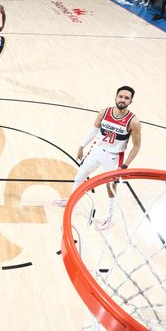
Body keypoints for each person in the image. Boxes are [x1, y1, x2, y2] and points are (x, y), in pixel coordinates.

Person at [54, 86, 142, 230]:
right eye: (121, 96)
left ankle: (109, 217)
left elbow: (137, 146)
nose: (123, 100)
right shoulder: (104, 112)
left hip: (114, 157)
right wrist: (82, 146)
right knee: (79, 176)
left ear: (131, 101)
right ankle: (71, 200)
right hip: (96, 151)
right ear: (115, 97)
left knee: (110, 187)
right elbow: (94, 130)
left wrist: (125, 166)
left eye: (126, 98)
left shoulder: (133, 122)